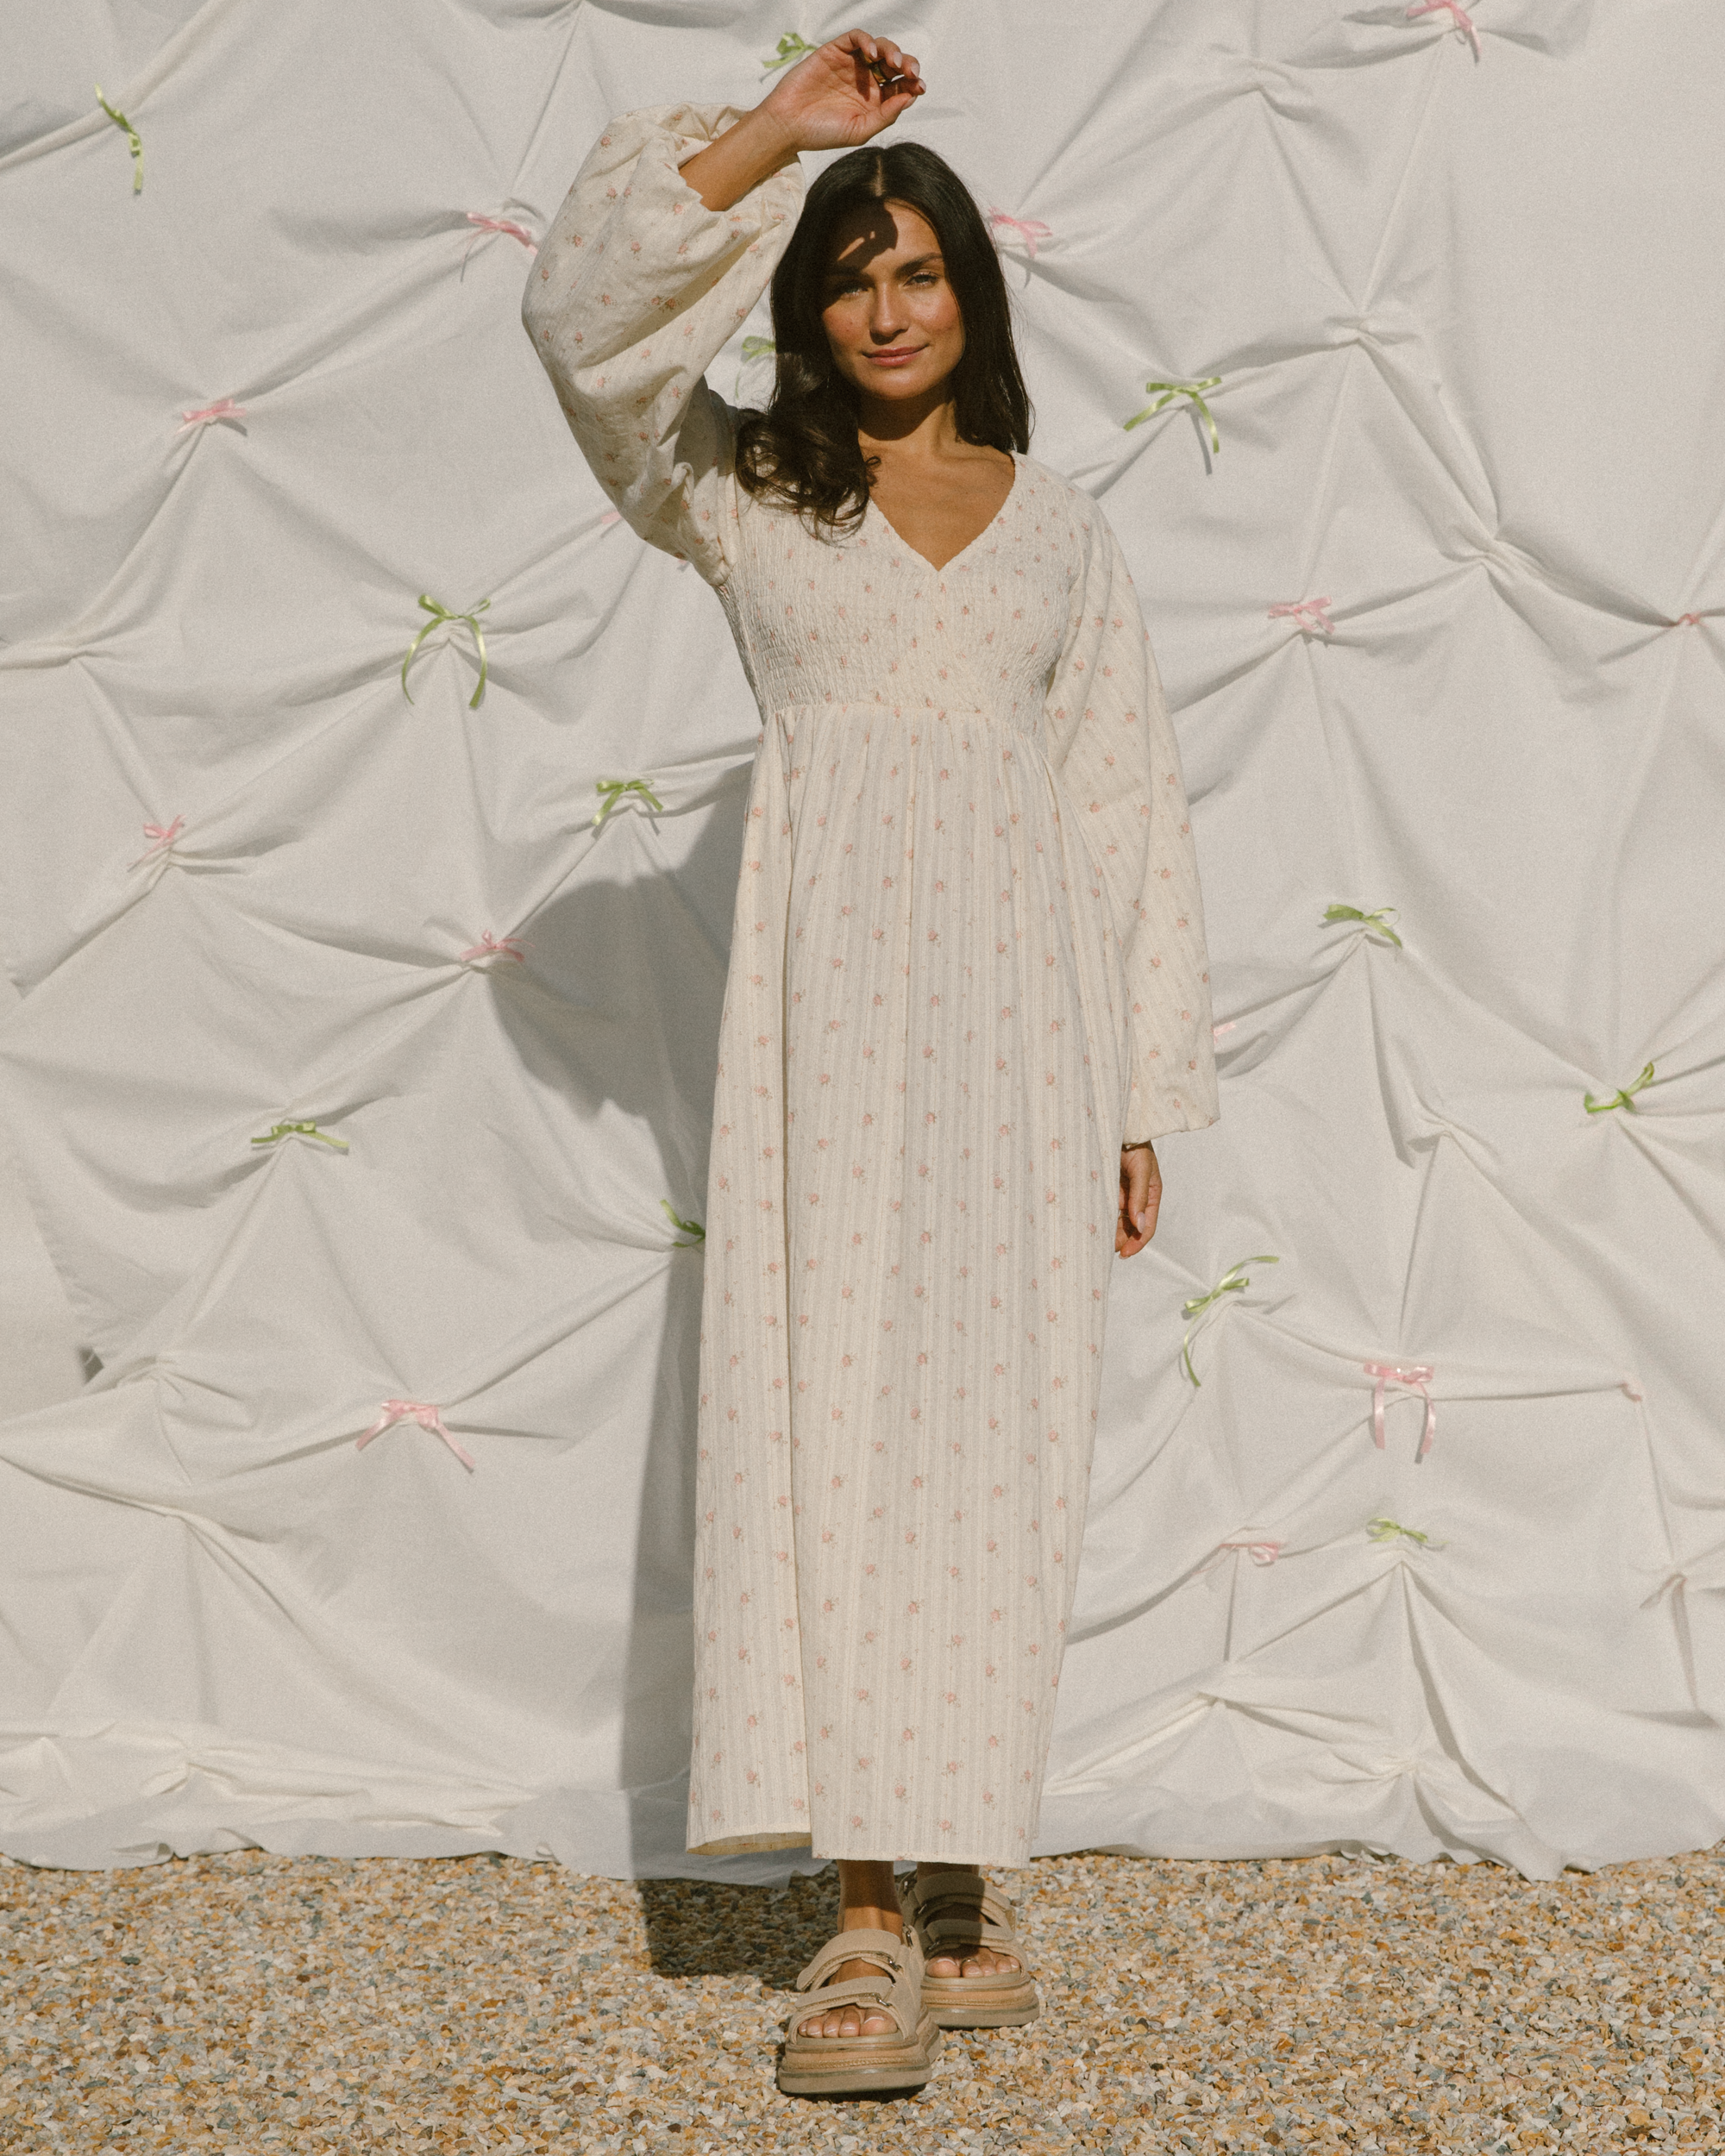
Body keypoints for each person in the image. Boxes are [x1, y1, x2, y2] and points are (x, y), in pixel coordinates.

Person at [524, 28, 1218, 2098]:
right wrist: (776, 138)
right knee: (830, 1420)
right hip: (828, 1029)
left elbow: (1127, 808)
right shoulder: (741, 487)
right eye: (851, 276)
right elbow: (577, 330)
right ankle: (849, 1894)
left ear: (971, 296)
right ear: (809, 309)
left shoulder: (1058, 527)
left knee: (994, 1437)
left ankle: (955, 1861)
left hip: (1024, 1032)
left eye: (918, 271)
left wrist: (1135, 1094)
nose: (886, 307)